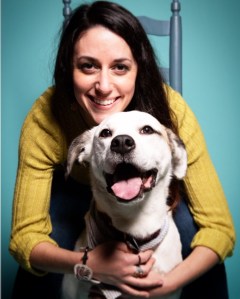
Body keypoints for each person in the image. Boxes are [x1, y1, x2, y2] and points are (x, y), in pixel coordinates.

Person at [10, 1, 235, 299]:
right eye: (88, 65)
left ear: (138, 70)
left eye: (120, 67)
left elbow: (219, 228)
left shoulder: (173, 112)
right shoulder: (45, 119)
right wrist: (89, 265)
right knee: (47, 250)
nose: (104, 86)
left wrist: (167, 283)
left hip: (152, 193)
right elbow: (25, 237)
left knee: (194, 238)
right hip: (75, 193)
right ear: (68, 69)